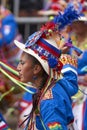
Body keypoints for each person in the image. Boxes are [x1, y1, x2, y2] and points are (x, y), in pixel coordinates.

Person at [14, 6, 82, 130]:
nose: (18, 68)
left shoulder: (50, 102)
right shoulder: (48, 88)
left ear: (36, 69)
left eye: (22, 63)